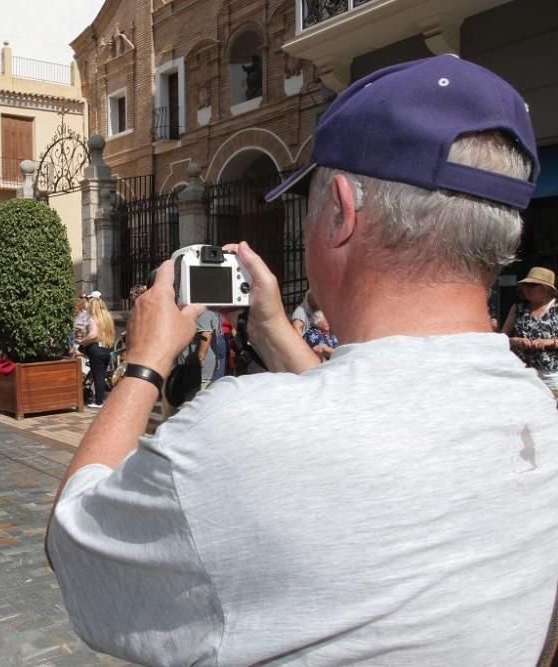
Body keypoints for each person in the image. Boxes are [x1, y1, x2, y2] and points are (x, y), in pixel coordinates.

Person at [46, 56, 558, 664]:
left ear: (340, 211)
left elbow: (74, 541)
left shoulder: (242, 432)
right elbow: (376, 428)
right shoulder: (535, 411)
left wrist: (144, 365)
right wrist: (273, 332)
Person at [501, 266, 558, 398]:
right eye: (524, 285)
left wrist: (550, 342)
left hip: (552, 374)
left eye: (531, 285)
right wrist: (515, 341)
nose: (526, 289)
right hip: (523, 371)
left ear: (546, 289)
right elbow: (502, 337)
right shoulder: (518, 308)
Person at [75, 294, 114, 408]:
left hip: (95, 349)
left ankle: (99, 402)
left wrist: (82, 341)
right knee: (101, 376)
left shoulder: (92, 318)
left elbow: (93, 334)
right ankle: (100, 400)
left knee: (98, 376)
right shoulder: (107, 317)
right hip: (107, 348)